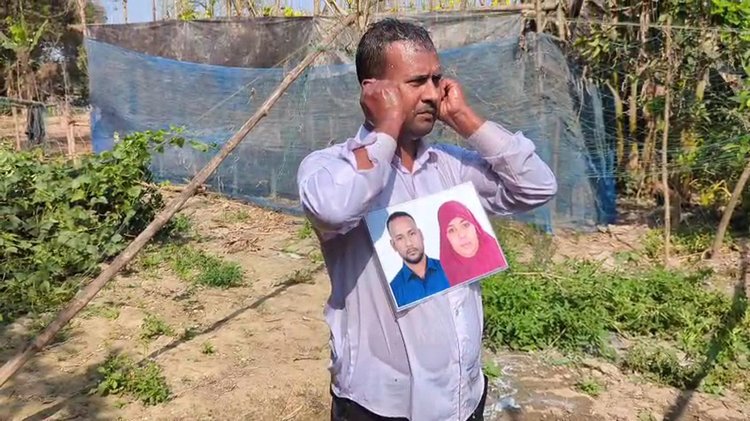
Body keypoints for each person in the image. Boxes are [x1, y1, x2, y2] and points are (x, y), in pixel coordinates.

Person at [296, 18, 557, 421]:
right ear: (372, 91)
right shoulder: (331, 167)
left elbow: (537, 187)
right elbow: (333, 209)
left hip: (462, 396)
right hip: (381, 406)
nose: (433, 94)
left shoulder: (449, 166)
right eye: (417, 82)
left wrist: (465, 119)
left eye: (437, 79)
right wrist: (386, 128)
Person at [386, 211, 451, 308]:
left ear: (421, 234)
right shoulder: (394, 293)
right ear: (393, 245)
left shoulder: (450, 269)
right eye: (400, 238)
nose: (409, 243)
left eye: (412, 234)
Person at [437, 200, 508, 286]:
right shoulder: (442, 275)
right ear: (445, 238)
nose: (462, 235)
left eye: (465, 225)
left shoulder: (499, 252)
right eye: (451, 230)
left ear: (475, 227)